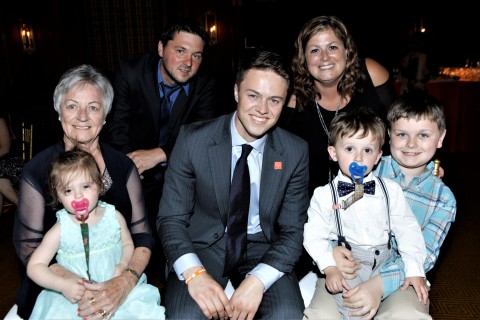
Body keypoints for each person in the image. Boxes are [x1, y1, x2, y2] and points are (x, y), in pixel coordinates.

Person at [157, 50, 310, 319]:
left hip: (264, 248)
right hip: (202, 247)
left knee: (286, 313)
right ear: (237, 92)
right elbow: (171, 219)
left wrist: (258, 281)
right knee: (183, 316)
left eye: (274, 100)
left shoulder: (295, 151)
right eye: (254, 96)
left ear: (285, 102)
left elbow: (292, 232)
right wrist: (195, 274)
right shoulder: (193, 140)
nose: (263, 110)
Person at [13, 64, 155, 319]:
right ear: (59, 112)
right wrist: (81, 288)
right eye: (71, 106)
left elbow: (142, 236)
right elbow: (29, 249)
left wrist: (124, 281)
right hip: (60, 290)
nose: (82, 116)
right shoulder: (37, 170)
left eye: (93, 107)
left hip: (119, 282)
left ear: (105, 115)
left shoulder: (123, 166)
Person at [305, 92, 456, 319]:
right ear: (388, 136)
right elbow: (324, 220)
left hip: (400, 273)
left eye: (423, 135)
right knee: (322, 314)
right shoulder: (366, 162)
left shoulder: (442, 199)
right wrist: (330, 254)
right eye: (402, 134)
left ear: (440, 138)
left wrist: (379, 284)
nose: (411, 144)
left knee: (407, 315)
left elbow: (419, 246)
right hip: (347, 264)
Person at [278, 15, 398, 279]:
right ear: (303, 58)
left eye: (332, 47)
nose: (325, 57)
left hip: (376, 199)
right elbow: (277, 155)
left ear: (347, 51)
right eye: (314, 50)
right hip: (319, 208)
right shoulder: (292, 98)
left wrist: (425, 167)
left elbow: (401, 129)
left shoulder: (372, 75)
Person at [105, 17, 220, 282]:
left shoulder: (205, 85)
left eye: (196, 55)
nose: (188, 62)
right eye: (180, 51)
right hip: (133, 172)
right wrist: (129, 166)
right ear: (160, 49)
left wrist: (160, 154)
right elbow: (117, 126)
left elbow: (203, 136)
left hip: (179, 174)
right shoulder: (130, 71)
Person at [27, 148, 165, 319]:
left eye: (85, 186)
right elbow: (35, 267)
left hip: (115, 288)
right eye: (68, 191)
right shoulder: (60, 229)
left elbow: (128, 244)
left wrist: (122, 264)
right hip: (71, 299)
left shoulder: (114, 216)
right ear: (58, 196)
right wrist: (62, 285)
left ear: (99, 185)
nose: (78, 196)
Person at [0, 113, 23, 210]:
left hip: (10, 160)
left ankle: (21, 205)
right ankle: (21, 205)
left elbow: (5, 149)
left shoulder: (0, 120)